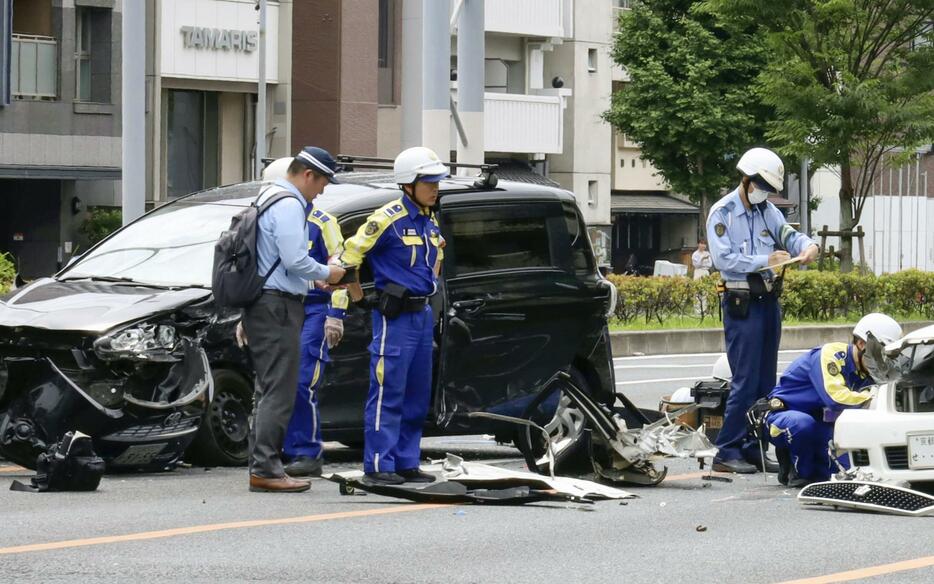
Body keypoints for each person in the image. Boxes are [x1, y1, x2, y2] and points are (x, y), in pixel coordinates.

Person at [706, 147, 820, 474]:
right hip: (741, 303)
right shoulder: (723, 212)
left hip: (768, 300)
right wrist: (764, 261)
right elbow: (723, 259)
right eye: (761, 185)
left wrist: (807, 246)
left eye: (769, 188)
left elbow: (788, 235)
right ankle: (726, 450)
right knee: (745, 379)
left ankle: (755, 447)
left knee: (767, 382)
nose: (764, 193)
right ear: (746, 179)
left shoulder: (768, 211)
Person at [337, 146, 447, 485]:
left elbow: (437, 254)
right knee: (388, 392)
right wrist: (361, 299)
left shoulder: (430, 218)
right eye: (428, 181)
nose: (435, 187)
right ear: (408, 183)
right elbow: (348, 256)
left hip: (421, 315)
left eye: (436, 181)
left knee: (416, 394)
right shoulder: (387, 219)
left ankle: (406, 461)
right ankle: (378, 465)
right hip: (394, 319)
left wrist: (430, 290)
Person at [243, 147, 345, 493]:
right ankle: (268, 469)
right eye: (323, 182)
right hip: (278, 305)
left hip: (263, 302)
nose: (323, 191)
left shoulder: (265, 200)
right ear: (307, 175)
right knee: (282, 388)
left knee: (268, 386)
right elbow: (294, 260)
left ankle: (262, 462)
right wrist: (328, 274)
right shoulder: (288, 205)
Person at [764, 313, 902, 486]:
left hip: (823, 423)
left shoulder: (868, 369)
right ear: (861, 344)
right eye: (880, 353)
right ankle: (795, 467)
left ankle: (812, 460)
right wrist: (876, 397)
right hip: (783, 416)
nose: (884, 362)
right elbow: (835, 399)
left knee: (846, 472)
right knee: (802, 427)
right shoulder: (831, 355)